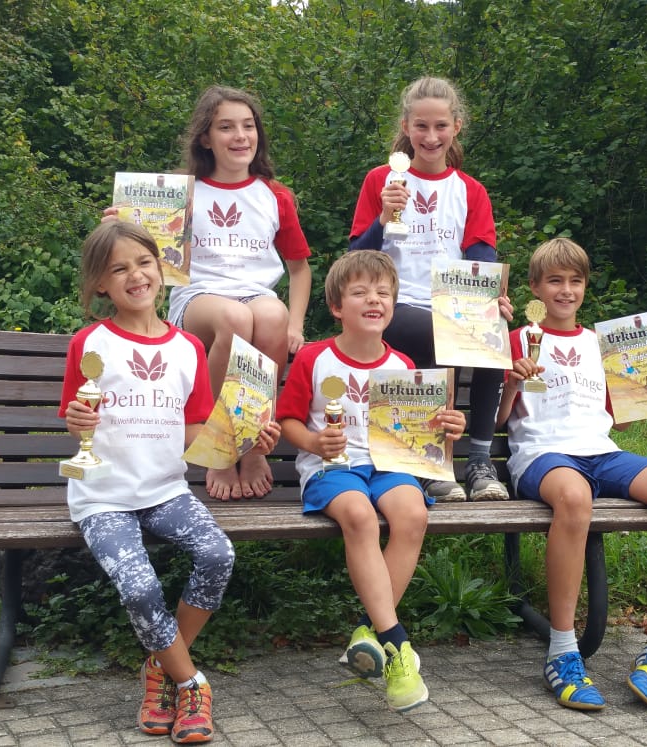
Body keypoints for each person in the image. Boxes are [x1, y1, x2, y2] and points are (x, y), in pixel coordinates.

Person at [59, 221, 281, 742]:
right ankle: (191, 684)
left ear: (162, 269)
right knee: (140, 588)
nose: (135, 275)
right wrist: (77, 420)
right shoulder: (89, 343)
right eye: (119, 269)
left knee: (218, 554)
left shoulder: (187, 348)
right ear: (100, 284)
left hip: (166, 492)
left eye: (144, 262)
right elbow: (75, 415)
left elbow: (195, 430)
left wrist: (246, 439)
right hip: (103, 497)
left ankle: (160, 668)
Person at [496, 237, 647, 712]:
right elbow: (496, 421)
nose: (566, 290)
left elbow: (623, 420)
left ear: (585, 287)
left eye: (576, 281)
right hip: (542, 455)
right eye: (555, 281)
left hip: (602, 452)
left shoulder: (602, 344)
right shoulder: (517, 338)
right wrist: (511, 381)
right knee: (575, 498)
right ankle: (562, 654)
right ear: (535, 287)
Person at [277, 251, 466, 713]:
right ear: (337, 307)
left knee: (413, 515)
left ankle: (369, 631)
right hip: (332, 468)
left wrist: (448, 427)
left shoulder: (404, 364)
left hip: (389, 465)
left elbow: (422, 434)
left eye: (383, 293)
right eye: (360, 292)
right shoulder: (315, 357)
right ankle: (397, 645)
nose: (374, 299)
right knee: (359, 516)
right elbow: (287, 420)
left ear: (394, 306)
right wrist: (314, 441)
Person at [106, 85, 311, 501]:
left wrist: (296, 324)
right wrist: (117, 225)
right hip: (197, 300)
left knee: (271, 316)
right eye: (226, 127)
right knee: (235, 318)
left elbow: (299, 268)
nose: (240, 136)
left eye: (248, 126)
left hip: (256, 296)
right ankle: (219, 447)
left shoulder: (275, 195)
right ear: (205, 137)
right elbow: (137, 255)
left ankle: (252, 446)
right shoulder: (180, 193)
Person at [349, 76, 509, 503]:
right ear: (406, 127)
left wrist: (492, 299)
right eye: (421, 126)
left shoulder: (470, 191)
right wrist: (383, 218)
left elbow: (482, 261)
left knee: (493, 335)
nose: (431, 136)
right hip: (393, 305)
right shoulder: (381, 181)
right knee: (443, 333)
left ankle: (479, 462)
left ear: (457, 126)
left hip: (452, 307)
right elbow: (354, 262)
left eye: (440, 126)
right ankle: (433, 464)